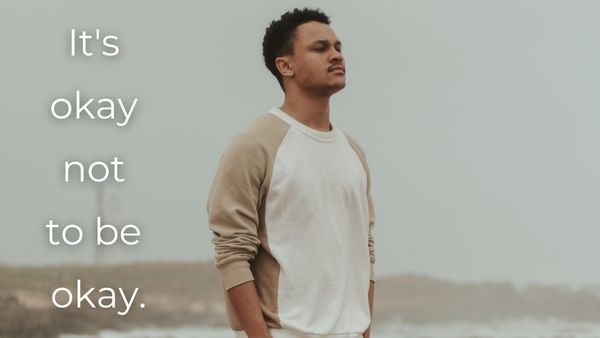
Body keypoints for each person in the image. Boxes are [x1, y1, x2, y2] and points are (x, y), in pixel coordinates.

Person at [207, 8, 376, 338]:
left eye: (338, 47)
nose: (336, 55)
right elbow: (231, 252)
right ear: (285, 65)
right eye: (320, 48)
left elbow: (364, 250)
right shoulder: (255, 144)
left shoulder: (353, 152)